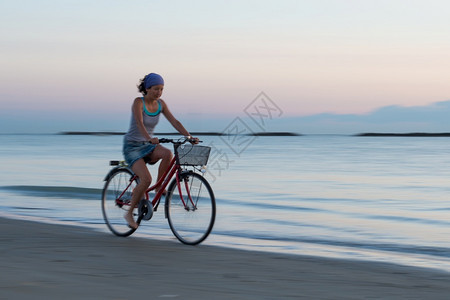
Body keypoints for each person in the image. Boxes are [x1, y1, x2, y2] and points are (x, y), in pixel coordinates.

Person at [122, 73, 198, 229]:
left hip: (148, 145)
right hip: (133, 146)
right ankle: (129, 213)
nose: (159, 92)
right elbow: (139, 122)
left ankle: (158, 187)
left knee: (167, 154)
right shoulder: (138, 102)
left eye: (162, 89)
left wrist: (189, 136)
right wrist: (148, 138)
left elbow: (175, 121)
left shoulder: (161, 104)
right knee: (146, 179)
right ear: (147, 88)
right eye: (156, 89)